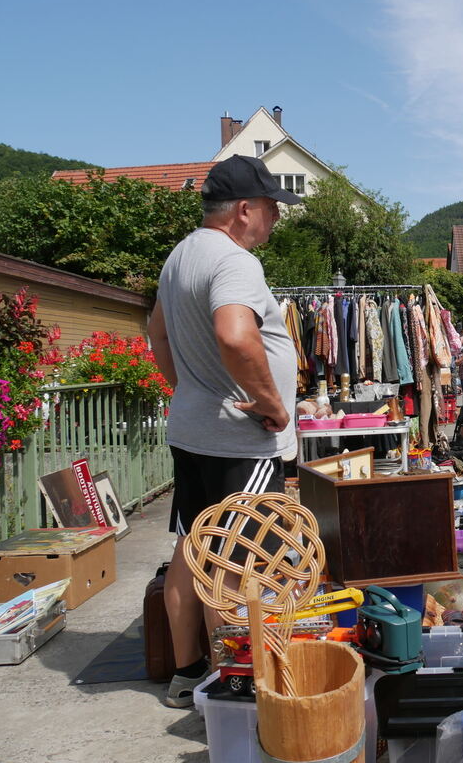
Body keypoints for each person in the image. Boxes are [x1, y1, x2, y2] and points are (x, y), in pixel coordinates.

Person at [147, 154, 301, 708]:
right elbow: (235, 336)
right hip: (242, 440)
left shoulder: (180, 256)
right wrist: (270, 403)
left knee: (193, 551)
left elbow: (157, 334)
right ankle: (233, 685)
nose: (274, 221)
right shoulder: (235, 261)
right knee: (238, 568)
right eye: (271, 210)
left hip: (195, 433)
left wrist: (190, 389)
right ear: (243, 210)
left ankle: (188, 674)